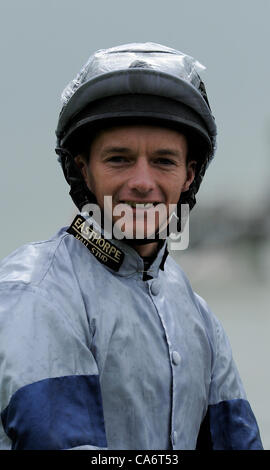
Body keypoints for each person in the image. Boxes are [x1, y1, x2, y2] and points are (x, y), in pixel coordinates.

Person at [0, 42, 263, 450]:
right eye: (119, 159)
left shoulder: (198, 315)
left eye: (163, 161)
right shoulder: (35, 291)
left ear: (189, 176)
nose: (142, 181)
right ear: (82, 169)